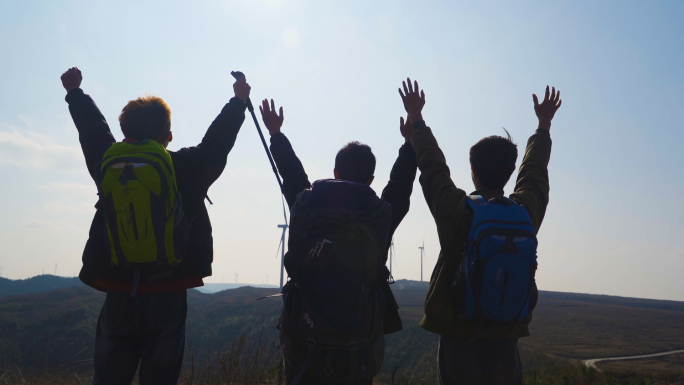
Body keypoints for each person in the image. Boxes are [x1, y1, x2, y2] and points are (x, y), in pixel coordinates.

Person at [60, 67, 250, 385]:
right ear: (168, 136)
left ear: (124, 134)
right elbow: (218, 142)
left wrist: (75, 93)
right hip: (168, 291)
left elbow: (92, 131)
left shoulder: (108, 161)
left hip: (119, 291)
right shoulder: (188, 167)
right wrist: (238, 102)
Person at [398, 78, 561, 385]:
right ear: (511, 172)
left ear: (472, 171)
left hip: (460, 338)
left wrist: (416, 119)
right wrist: (543, 125)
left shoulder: (457, 212)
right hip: (506, 338)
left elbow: (433, 168)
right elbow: (535, 175)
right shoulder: (524, 213)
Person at [258, 99, 417, 384]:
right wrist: (409, 141)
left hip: (303, 342)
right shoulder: (380, 216)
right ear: (371, 179)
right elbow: (401, 186)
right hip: (357, 349)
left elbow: (293, 175)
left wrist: (275, 133)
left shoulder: (305, 206)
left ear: (335, 174)